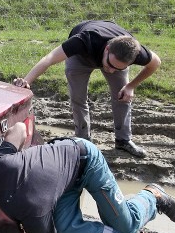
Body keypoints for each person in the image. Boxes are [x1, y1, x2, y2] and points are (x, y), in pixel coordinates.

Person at [0, 122, 175, 233]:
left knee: (126, 224)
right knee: (65, 231)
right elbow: (19, 127)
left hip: (84, 159)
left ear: (22, 230)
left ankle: (153, 196)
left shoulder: (35, 217)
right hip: (60, 182)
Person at [13, 20, 161, 158]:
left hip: (113, 53)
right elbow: (49, 58)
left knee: (123, 97)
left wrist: (130, 86)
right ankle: (83, 141)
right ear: (107, 49)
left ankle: (123, 141)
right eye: (109, 65)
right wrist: (26, 81)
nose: (110, 70)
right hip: (81, 57)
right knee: (78, 98)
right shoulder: (83, 40)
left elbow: (155, 63)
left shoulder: (135, 52)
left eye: (117, 68)